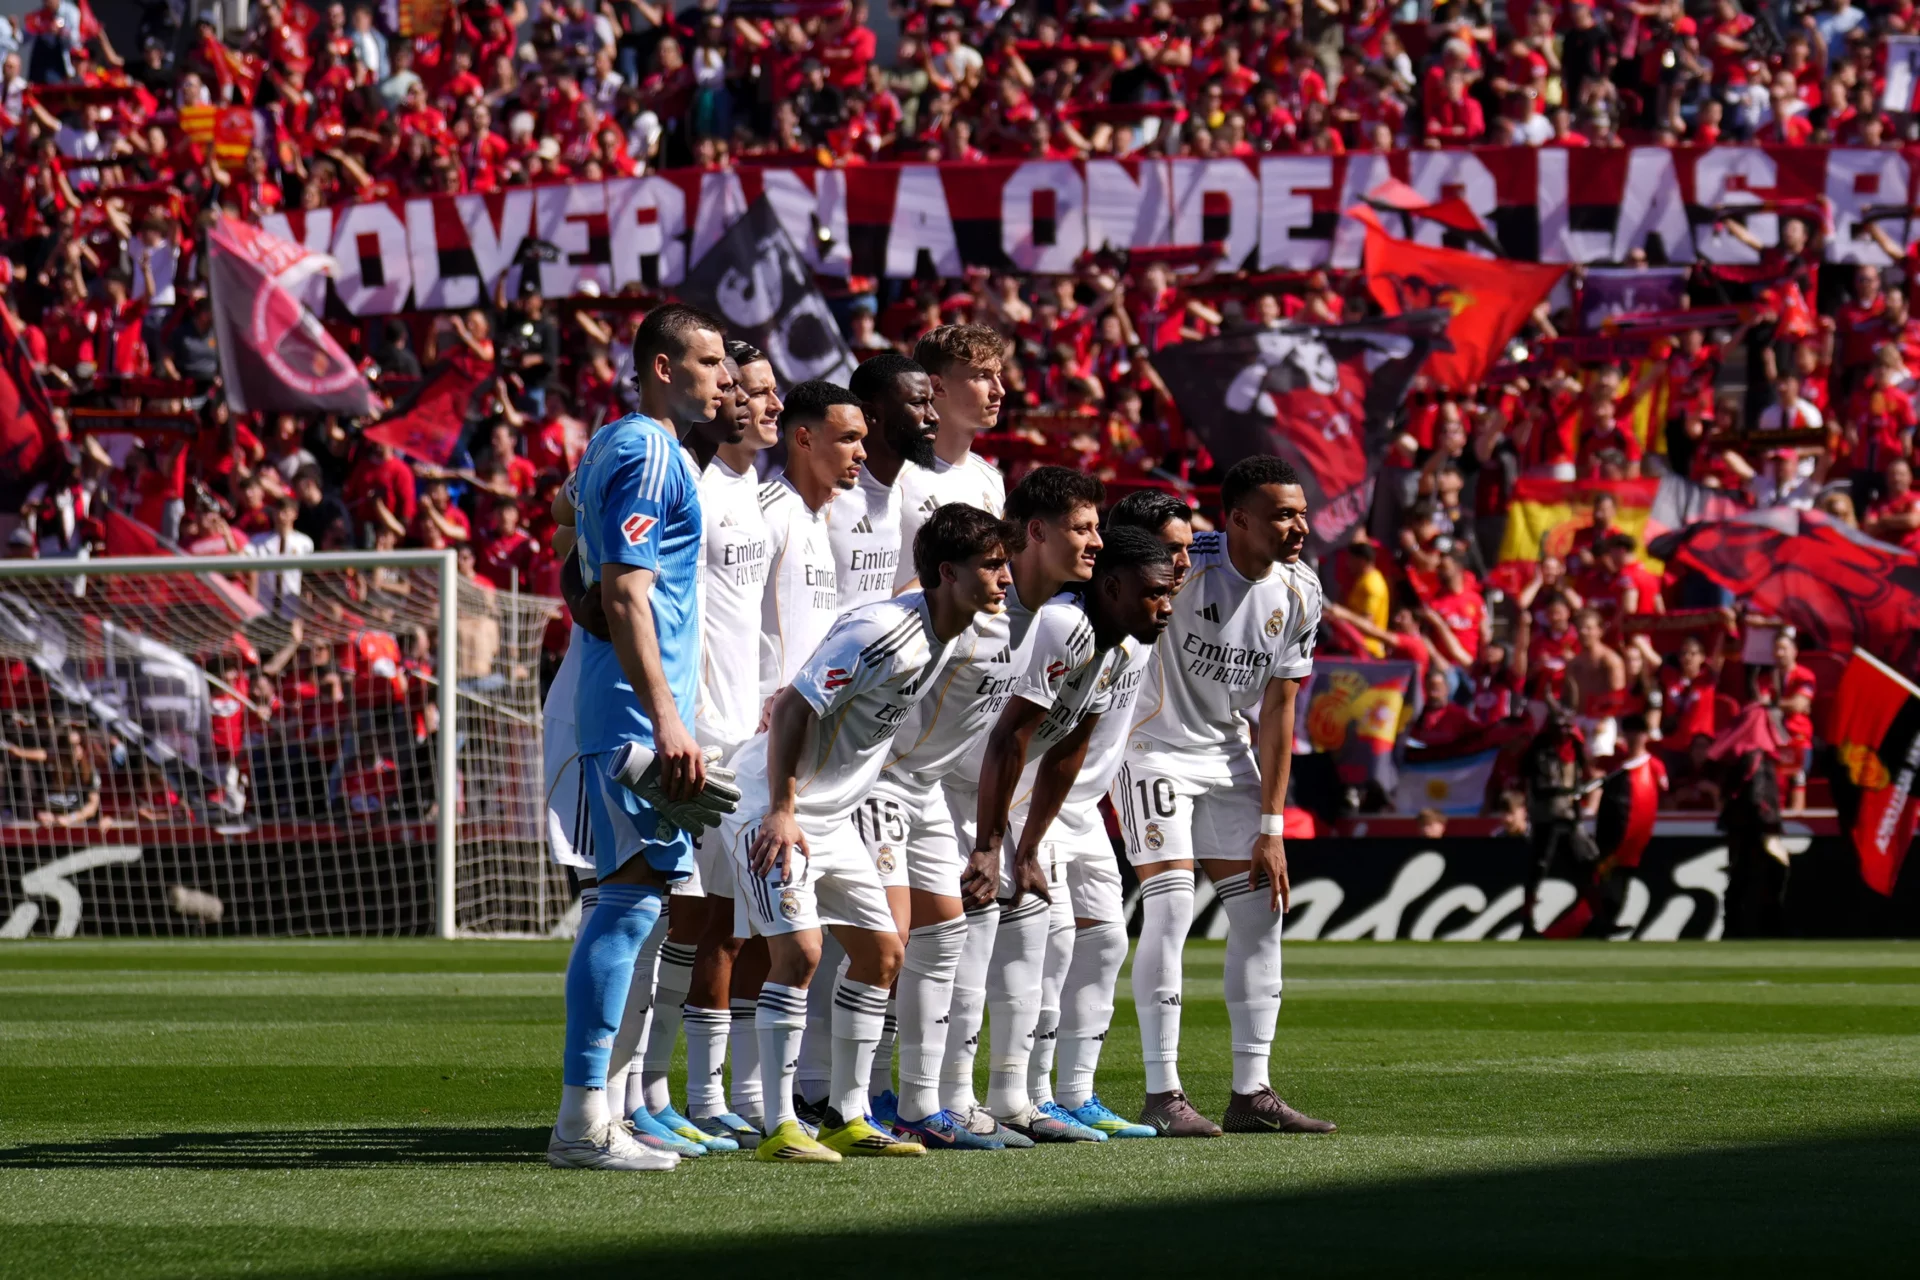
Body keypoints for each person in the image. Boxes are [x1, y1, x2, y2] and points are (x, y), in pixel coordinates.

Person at [733, 502, 1016, 1163]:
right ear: (948, 573)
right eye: (993, 566)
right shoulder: (883, 629)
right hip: (778, 808)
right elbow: (797, 704)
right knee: (799, 955)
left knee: (883, 956)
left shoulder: (947, 634)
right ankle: (781, 1127)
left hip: (832, 818)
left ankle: (848, 1115)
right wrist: (781, 807)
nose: (1005, 579)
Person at [865, 466, 1106, 1149]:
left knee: (960, 945)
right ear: (1036, 532)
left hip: (972, 801)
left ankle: (959, 1098)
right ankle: (846, 1093)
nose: (1095, 540)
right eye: (1082, 527)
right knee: (883, 948)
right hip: (904, 785)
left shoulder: (1060, 621)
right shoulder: (966, 601)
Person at [548, 303, 732, 1174]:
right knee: (627, 902)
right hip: (632, 713)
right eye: (708, 360)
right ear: (663, 367)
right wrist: (665, 718)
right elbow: (622, 591)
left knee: (642, 903)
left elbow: (577, 568)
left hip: (627, 703)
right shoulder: (650, 449)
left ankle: (601, 1113)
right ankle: (584, 1121)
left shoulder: (617, 449)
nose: (722, 376)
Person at [1119, 455, 1333, 1137]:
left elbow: (1279, 710)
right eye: (1281, 514)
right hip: (1151, 750)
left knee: (1263, 913)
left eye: (1300, 512)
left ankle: (1253, 1091)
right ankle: (1163, 1092)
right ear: (1236, 519)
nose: (1299, 525)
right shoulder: (1185, 564)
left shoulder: (1301, 590)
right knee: (1172, 907)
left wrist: (1272, 824)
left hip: (1226, 756)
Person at [975, 523, 1179, 1143]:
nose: (1170, 598)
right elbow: (1013, 735)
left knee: (1105, 941)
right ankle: (1018, 1096)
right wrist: (1008, 837)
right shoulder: (1069, 625)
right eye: (1159, 581)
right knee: (1049, 939)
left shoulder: (1123, 640)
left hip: (1070, 807)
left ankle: (1069, 1094)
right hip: (1008, 798)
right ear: (1115, 582)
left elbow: (1072, 742)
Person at [755, 380, 869, 1118]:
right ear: (803, 438)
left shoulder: (844, 519)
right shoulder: (766, 515)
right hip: (757, 750)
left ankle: (809, 1092)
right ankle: (668, 1095)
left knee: (821, 937)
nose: (861, 452)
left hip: (827, 758)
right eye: (848, 438)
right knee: (726, 933)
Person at [679, 341, 780, 1144]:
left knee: (734, 922)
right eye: (749, 390)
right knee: (687, 924)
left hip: (743, 733)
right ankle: (663, 1096)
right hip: (694, 734)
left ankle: (717, 1095)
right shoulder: (696, 483)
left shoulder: (758, 493)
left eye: (770, 390)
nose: (762, 403)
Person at [896, 324, 1009, 588]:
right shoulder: (891, 475)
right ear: (938, 387)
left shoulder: (991, 478)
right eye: (982, 376)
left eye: (998, 375)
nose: (999, 390)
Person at [825, 353, 935, 611]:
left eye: (931, 403)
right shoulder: (826, 496)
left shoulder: (898, 493)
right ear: (871, 414)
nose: (933, 417)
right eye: (918, 403)